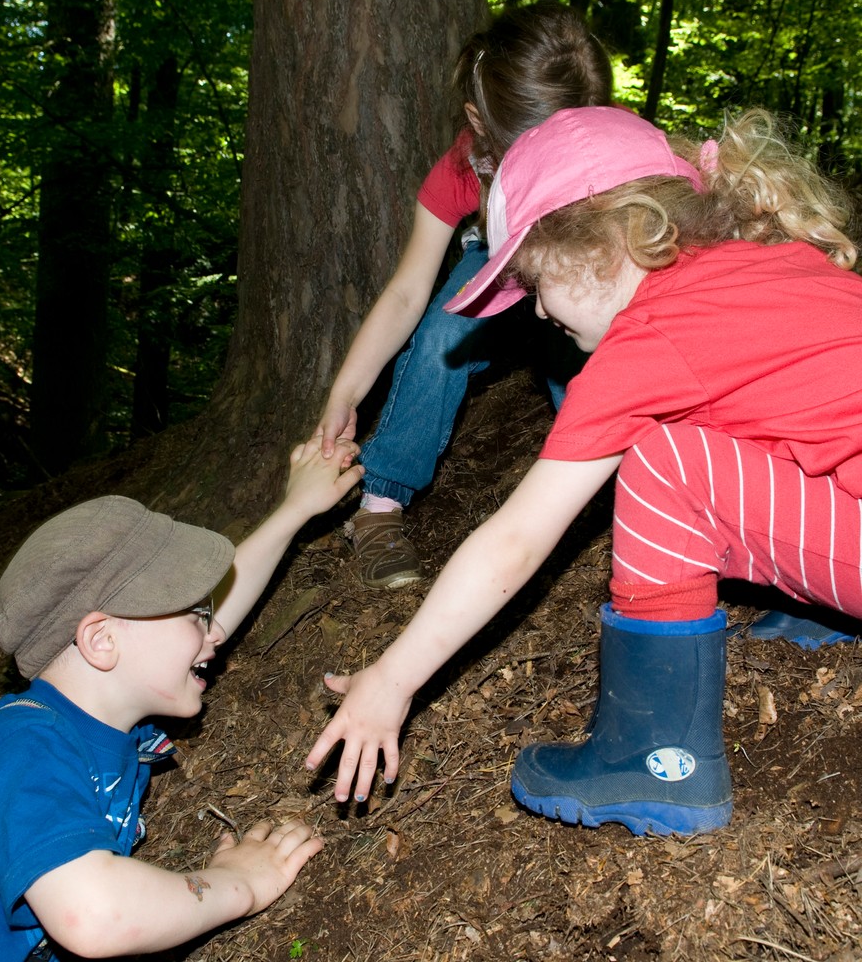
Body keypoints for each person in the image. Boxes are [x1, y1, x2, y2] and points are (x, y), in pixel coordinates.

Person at [304, 105, 860, 838]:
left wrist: (393, 678)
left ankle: (657, 758)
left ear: (606, 244)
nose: (534, 314)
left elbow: (516, 540)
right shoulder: (769, 262)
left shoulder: (650, 338)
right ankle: (820, 598)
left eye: (534, 282)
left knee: (664, 464)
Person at [0, 436, 363, 961]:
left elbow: (205, 621)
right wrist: (237, 884)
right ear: (102, 641)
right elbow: (92, 917)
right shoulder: (23, 743)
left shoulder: (87, 720)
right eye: (193, 614)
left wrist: (296, 509)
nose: (215, 633)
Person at [314, 1, 612, 589]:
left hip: (580, 257)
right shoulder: (464, 169)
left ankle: (613, 477)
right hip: (495, 267)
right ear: (480, 124)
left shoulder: (613, 156)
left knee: (587, 348)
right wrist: (346, 389)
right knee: (442, 336)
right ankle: (380, 508)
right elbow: (406, 291)